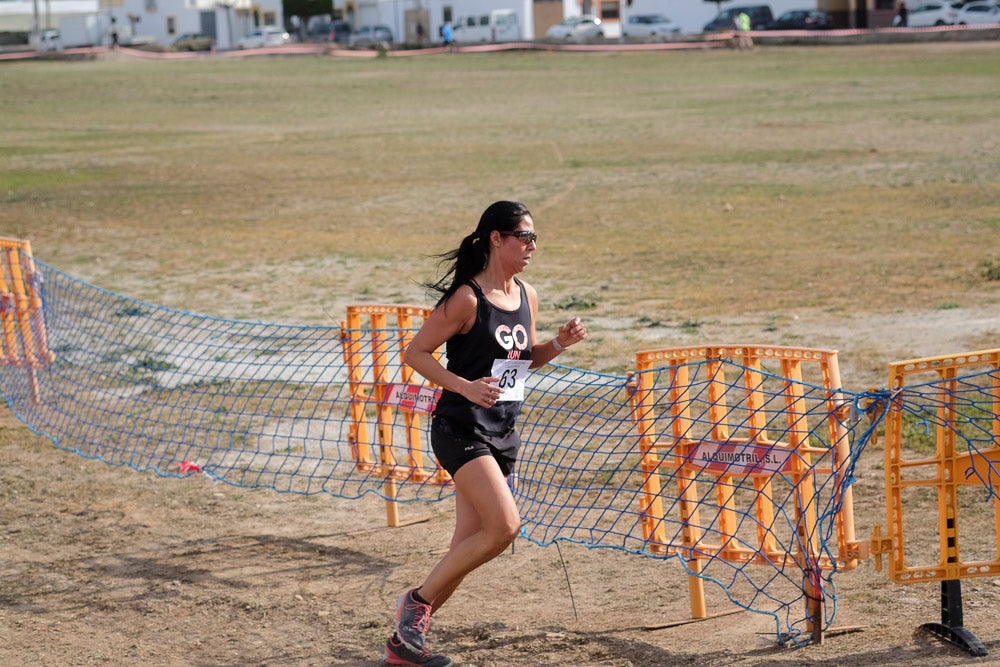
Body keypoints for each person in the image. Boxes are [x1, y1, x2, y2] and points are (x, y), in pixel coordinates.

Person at [382, 201, 587, 667]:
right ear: (497, 239)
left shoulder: (527, 296)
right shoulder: (467, 298)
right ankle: (415, 603)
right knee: (505, 527)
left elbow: (520, 362)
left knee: (464, 549)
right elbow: (416, 353)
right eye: (525, 237)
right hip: (459, 427)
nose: (532, 246)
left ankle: (404, 646)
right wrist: (465, 387)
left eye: (535, 238)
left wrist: (557, 344)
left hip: (502, 432)